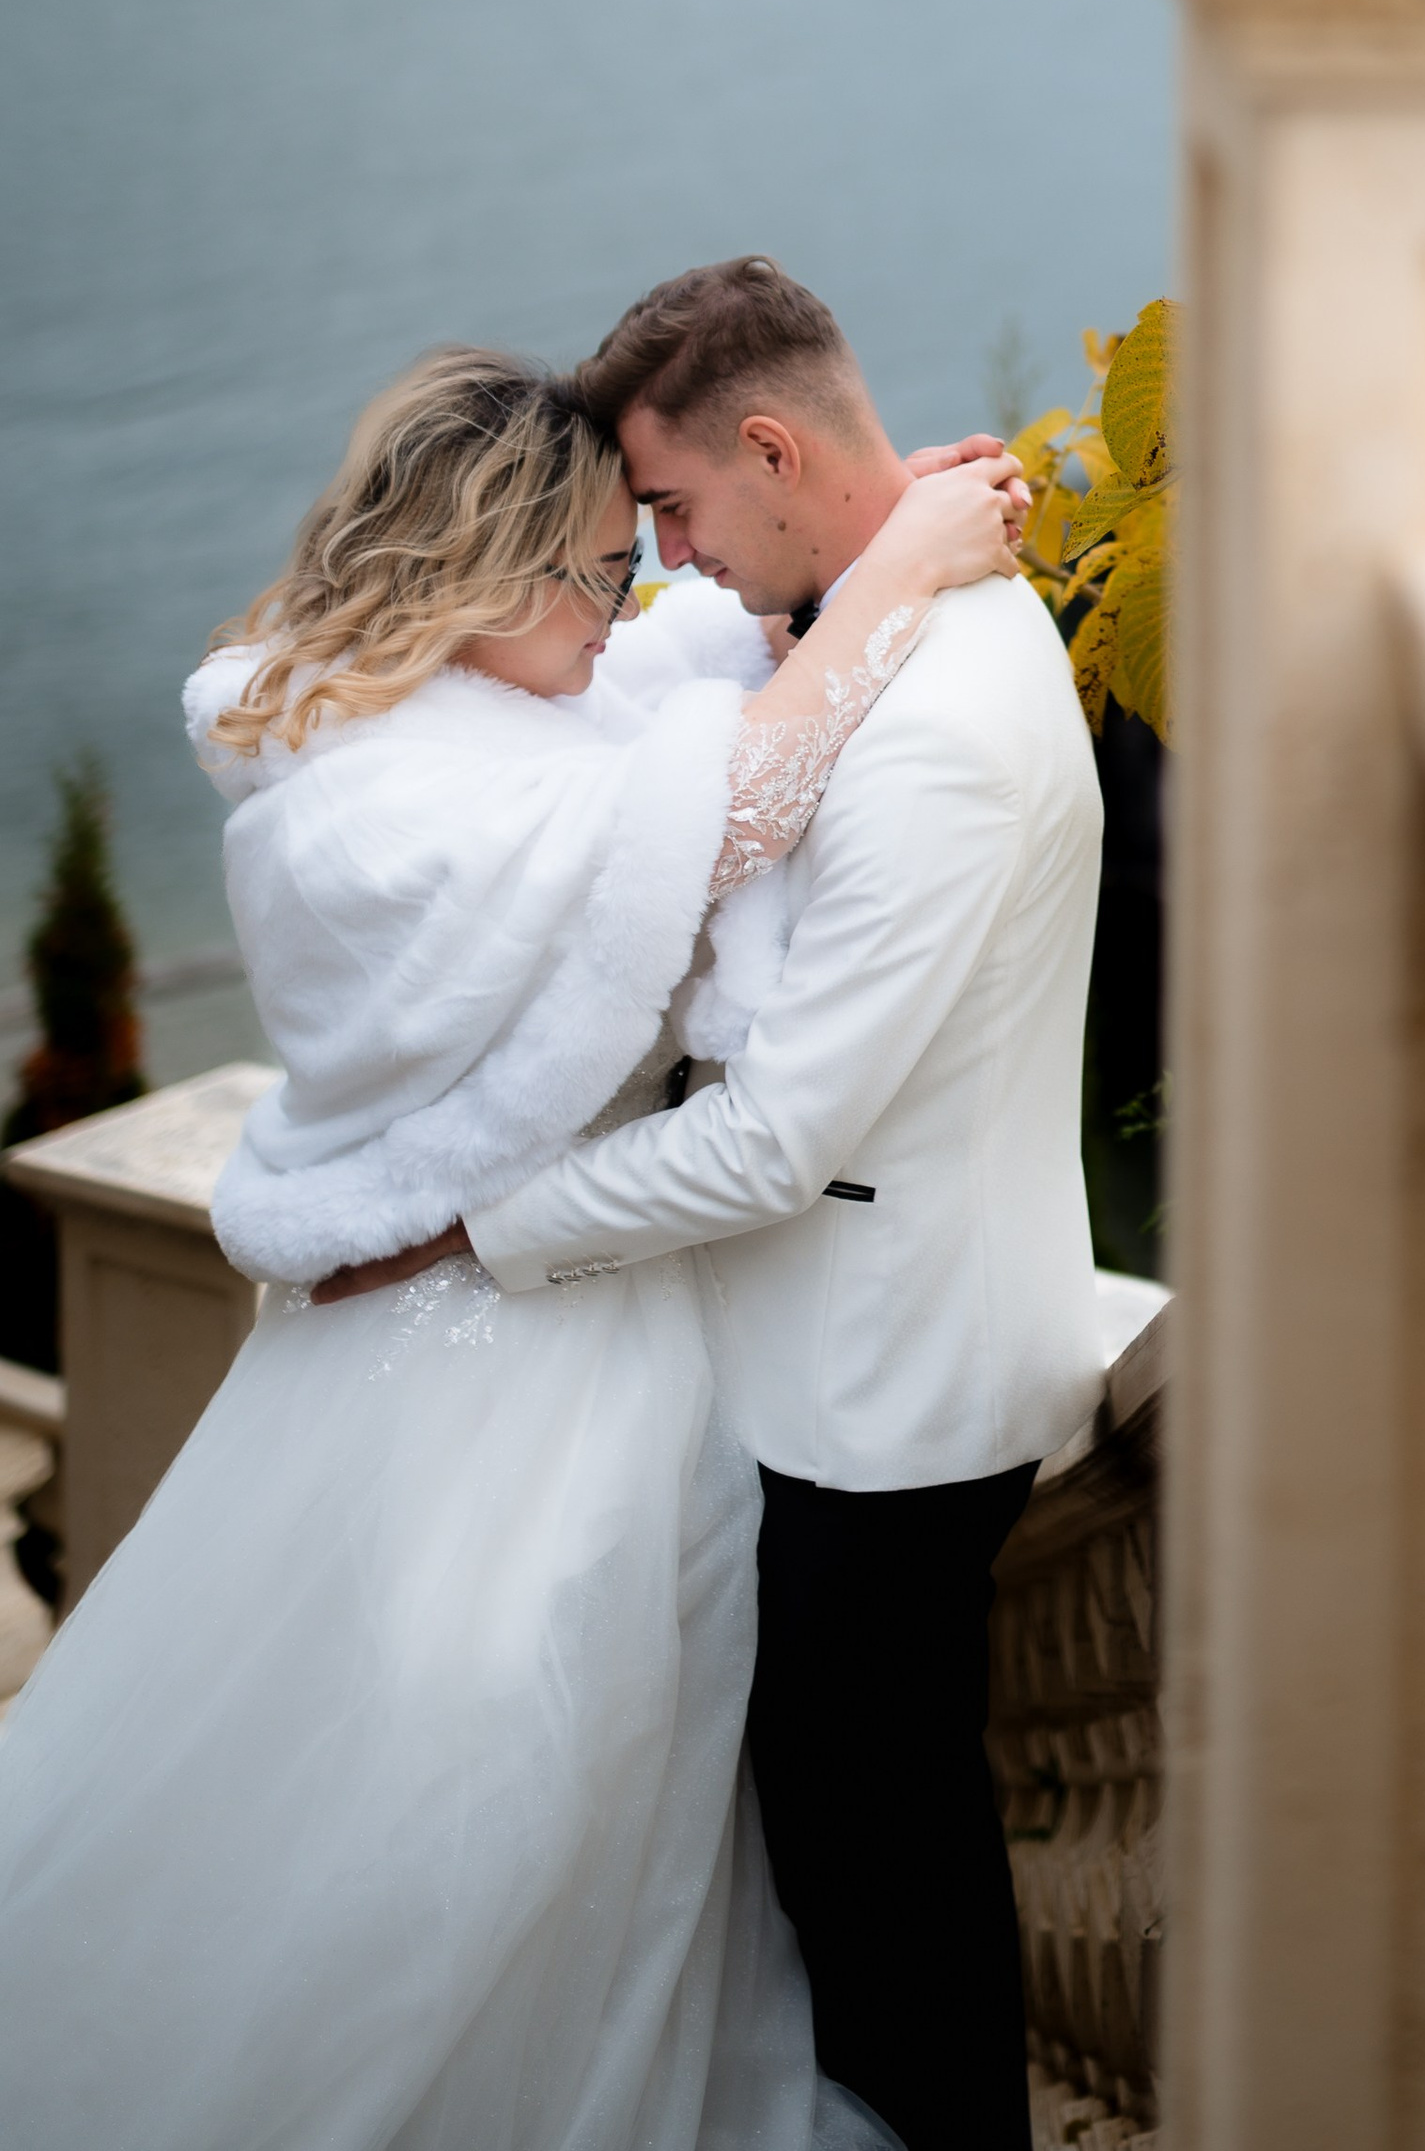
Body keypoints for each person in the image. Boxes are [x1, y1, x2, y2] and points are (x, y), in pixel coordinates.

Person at [0, 340, 1025, 2151]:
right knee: (471, 1790)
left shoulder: (487, 696)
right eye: (597, 571)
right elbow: (729, 808)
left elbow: (681, 674)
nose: (627, 606)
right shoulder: (370, 809)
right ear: (487, 576)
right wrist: (901, 568)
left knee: (605, 1814)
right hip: (492, 1353)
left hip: (567, 1325)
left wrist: (850, 527)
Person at [336, 260, 1109, 2151]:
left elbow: (772, 1142)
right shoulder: (888, 625)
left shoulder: (929, 726)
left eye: (671, 508)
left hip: (884, 1393)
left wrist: (473, 1226)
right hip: (858, 1350)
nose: (664, 563)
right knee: (858, 1861)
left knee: (885, 1888)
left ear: (771, 448)